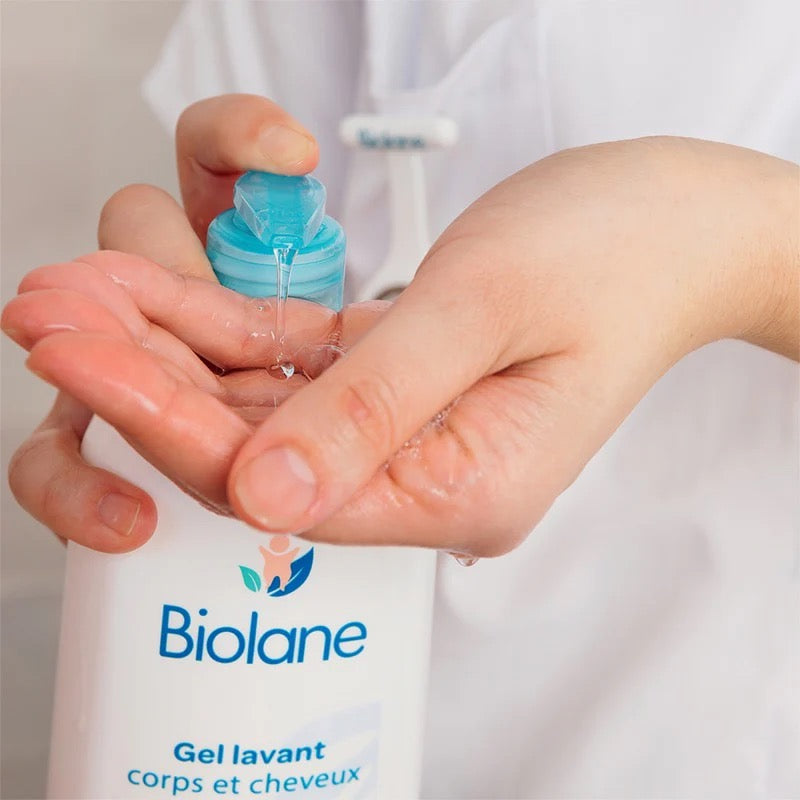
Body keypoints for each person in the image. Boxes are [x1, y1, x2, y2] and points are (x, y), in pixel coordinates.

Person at [3, 2, 799, 797]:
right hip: (344, 707)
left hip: (696, 718)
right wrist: (171, 326)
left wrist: (729, 239)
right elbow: (276, 191)